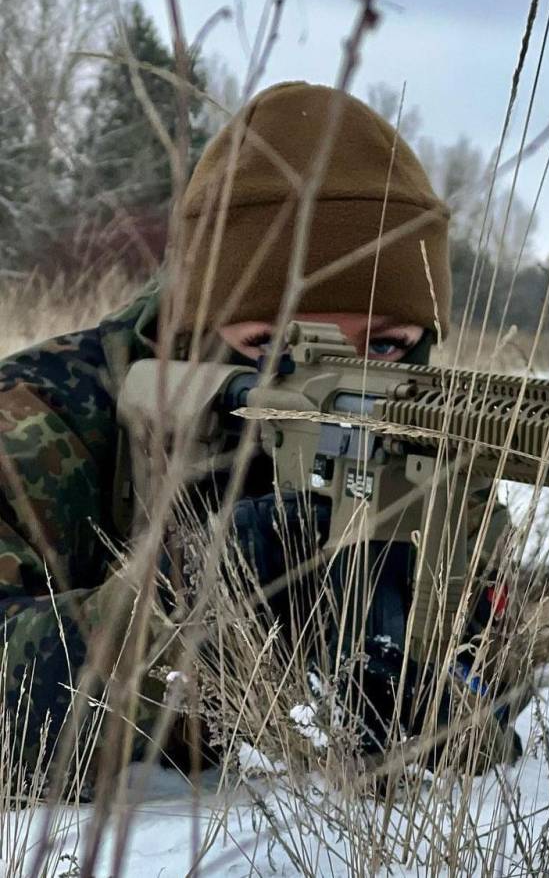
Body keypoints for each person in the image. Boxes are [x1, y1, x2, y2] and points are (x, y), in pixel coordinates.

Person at [0, 82, 516, 781]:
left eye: (386, 346)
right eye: (276, 341)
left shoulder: (423, 444)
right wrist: (199, 597)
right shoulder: (34, 421)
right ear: (200, 320)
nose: (341, 383)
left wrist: (426, 688)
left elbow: (490, 687)